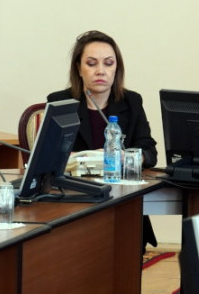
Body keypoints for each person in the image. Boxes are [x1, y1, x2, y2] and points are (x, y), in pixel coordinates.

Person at [47, 30, 159, 248]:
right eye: (91, 63)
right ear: (78, 68)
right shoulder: (60, 102)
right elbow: (48, 157)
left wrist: (125, 157)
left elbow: (150, 152)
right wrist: (84, 158)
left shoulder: (132, 102)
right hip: (74, 200)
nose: (101, 71)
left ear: (117, 69)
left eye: (108, 63)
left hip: (122, 199)